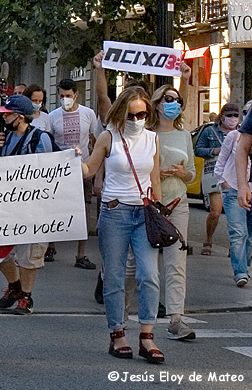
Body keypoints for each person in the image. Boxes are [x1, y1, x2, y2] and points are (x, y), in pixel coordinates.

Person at [80, 86, 165, 364]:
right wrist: (72, 158)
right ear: (121, 113)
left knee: (149, 275)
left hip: (144, 213)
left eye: (143, 113)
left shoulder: (152, 139)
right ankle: (117, 333)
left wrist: (160, 213)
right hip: (115, 212)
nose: (138, 118)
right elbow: (89, 170)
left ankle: (147, 335)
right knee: (114, 276)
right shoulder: (109, 137)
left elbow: (155, 179)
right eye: (132, 114)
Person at [132, 85, 195, 341]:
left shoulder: (184, 135)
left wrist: (182, 173)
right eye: (168, 99)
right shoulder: (144, 135)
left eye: (178, 100)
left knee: (176, 262)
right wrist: (156, 174)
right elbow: (134, 169)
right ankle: (129, 315)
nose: (174, 104)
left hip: (178, 202)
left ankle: (176, 319)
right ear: (156, 103)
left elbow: (191, 174)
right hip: (150, 205)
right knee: (142, 264)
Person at [0, 95, 55, 315]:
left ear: (19, 116)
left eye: (7, 113)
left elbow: (48, 171)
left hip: (33, 205)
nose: (4, 117)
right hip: (7, 204)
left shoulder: (40, 138)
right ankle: (15, 286)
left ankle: (26, 295)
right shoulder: (2, 138)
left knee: (29, 252)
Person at [46, 78, 102, 269]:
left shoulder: (88, 114)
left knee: (84, 213)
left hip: (83, 169)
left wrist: (96, 171)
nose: (65, 99)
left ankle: (81, 254)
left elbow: (96, 141)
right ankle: (50, 246)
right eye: (61, 96)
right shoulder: (52, 117)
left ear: (76, 94)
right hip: (59, 172)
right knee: (54, 211)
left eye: (68, 96)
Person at [216, 102, 251, 287]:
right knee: (238, 232)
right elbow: (220, 162)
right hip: (234, 188)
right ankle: (240, 272)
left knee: (250, 236)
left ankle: (245, 265)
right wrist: (225, 183)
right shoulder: (233, 136)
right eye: (244, 112)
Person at [195, 104, 235, 255]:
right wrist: (214, 150)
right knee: (216, 212)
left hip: (234, 176)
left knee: (233, 213)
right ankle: (208, 238)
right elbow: (198, 149)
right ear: (222, 116)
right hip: (215, 174)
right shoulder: (209, 131)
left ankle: (234, 246)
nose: (232, 119)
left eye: (235, 115)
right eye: (229, 115)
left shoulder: (240, 133)